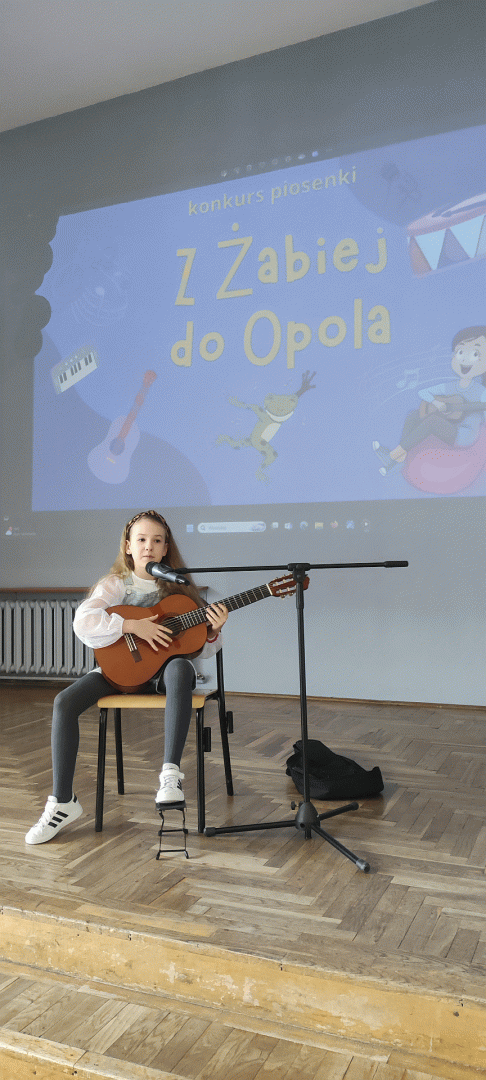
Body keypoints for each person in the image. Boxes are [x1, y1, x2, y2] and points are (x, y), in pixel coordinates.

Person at [25, 510, 228, 845]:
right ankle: (62, 802)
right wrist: (132, 625)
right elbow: (84, 622)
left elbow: (200, 649)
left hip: (163, 677)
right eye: (141, 539)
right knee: (64, 702)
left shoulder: (180, 590)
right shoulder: (115, 584)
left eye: (157, 540)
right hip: (120, 673)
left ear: (166, 549)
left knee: (180, 667)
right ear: (128, 546)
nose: (149, 546)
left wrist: (212, 631)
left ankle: (170, 775)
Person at [373, 327, 486, 474]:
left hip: (464, 434)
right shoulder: (450, 386)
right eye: (460, 352)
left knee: (432, 421)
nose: (465, 359)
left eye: (475, 354)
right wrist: (436, 402)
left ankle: (391, 456)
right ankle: (401, 457)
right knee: (413, 415)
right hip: (450, 425)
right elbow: (423, 392)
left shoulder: (481, 392)